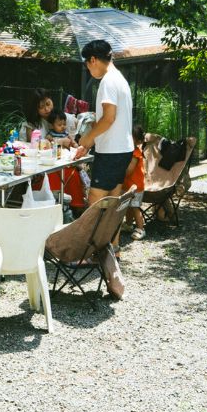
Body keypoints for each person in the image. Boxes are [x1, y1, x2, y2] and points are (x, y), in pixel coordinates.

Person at [75, 39, 134, 252]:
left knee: (95, 202)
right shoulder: (120, 79)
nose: (88, 69)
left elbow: (109, 118)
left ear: (93, 60)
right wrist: (91, 142)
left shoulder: (108, 81)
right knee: (113, 202)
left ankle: (89, 252)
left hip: (111, 152)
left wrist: (87, 139)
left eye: (87, 64)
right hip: (122, 149)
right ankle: (113, 248)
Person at [123, 125, 147, 240]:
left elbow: (129, 171)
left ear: (137, 141)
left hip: (136, 186)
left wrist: (118, 172)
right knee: (129, 206)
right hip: (129, 185)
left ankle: (140, 229)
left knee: (135, 207)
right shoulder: (129, 151)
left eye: (130, 137)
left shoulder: (136, 153)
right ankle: (128, 224)